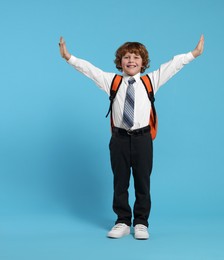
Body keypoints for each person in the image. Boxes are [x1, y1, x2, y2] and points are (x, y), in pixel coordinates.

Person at [59, 35, 204, 240]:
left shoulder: (150, 80)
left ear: (143, 62)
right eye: (126, 57)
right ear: (120, 62)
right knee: (120, 182)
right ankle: (123, 221)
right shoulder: (112, 81)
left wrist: (193, 54)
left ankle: (142, 223)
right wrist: (68, 57)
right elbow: (90, 70)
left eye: (136, 57)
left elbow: (172, 65)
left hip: (142, 139)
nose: (131, 60)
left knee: (142, 182)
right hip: (118, 139)